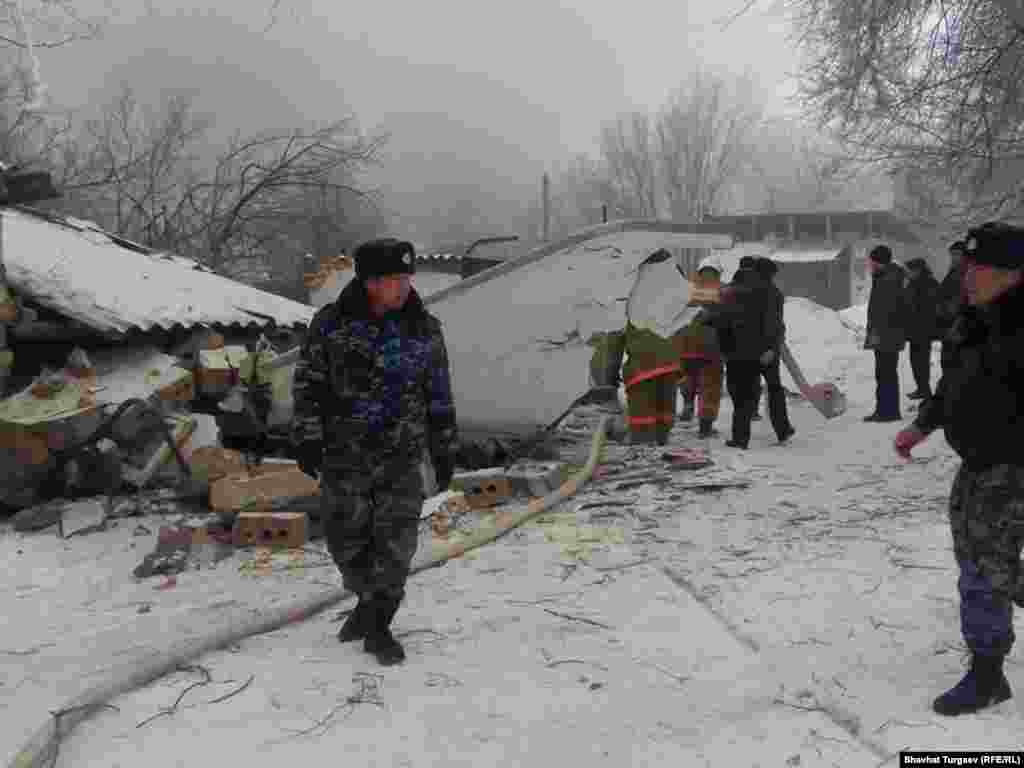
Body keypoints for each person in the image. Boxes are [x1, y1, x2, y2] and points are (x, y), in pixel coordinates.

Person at [291, 237, 458, 666]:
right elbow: (308, 385)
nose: (401, 288)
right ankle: (366, 601)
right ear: (367, 282)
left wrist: (443, 449)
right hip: (344, 455)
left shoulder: (425, 328)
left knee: (396, 543)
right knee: (347, 542)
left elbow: (439, 394)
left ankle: (380, 623)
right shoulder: (330, 325)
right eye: (391, 280)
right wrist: (307, 437)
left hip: (401, 456)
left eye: (406, 278)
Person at [894, 221, 1024, 716]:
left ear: (1012, 273)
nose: (967, 276)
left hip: (1013, 464)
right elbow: (954, 386)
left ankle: (988, 676)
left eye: (978, 268)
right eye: (966, 266)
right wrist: (922, 425)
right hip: (979, 461)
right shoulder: (976, 318)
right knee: (977, 557)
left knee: (985, 569)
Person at [590, 248, 685, 445]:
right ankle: (660, 443)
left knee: (643, 418)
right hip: (669, 366)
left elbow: (614, 341)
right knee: (664, 413)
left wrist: (608, 378)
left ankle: (644, 450)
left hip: (642, 367)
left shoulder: (630, 292)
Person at [704, 260, 780, 449]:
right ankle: (743, 435)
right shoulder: (763, 296)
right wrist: (770, 348)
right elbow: (773, 324)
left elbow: (718, 321)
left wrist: (706, 319)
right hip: (756, 354)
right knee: (749, 394)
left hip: (734, 355)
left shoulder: (728, 296)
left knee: (738, 396)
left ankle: (740, 438)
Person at [674, 264, 724, 439]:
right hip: (711, 349)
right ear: (717, 273)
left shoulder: (687, 290)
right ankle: (705, 426)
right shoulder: (722, 291)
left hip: (686, 347)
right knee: (709, 387)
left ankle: (688, 405)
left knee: (688, 378)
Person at [863, 244, 909, 422]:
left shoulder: (888, 280)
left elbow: (884, 311)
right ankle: (886, 409)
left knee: (885, 373)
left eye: (872, 261)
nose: (869, 264)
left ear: (879, 262)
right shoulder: (887, 276)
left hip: (887, 334)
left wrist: (875, 333)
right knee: (886, 372)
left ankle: (887, 411)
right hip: (888, 333)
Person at [753, 257, 795, 443]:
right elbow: (775, 324)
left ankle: (740, 434)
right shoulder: (774, 293)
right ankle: (782, 428)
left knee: (747, 389)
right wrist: (772, 347)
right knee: (774, 388)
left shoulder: (751, 292)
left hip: (750, 348)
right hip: (769, 349)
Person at [903, 257, 940, 400]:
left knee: (921, 361)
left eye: (910, 271)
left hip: (923, 330)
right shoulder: (913, 283)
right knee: (915, 360)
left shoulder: (929, 284)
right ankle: (921, 388)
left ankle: (924, 390)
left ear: (918, 270)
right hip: (915, 329)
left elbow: (930, 308)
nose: (908, 273)